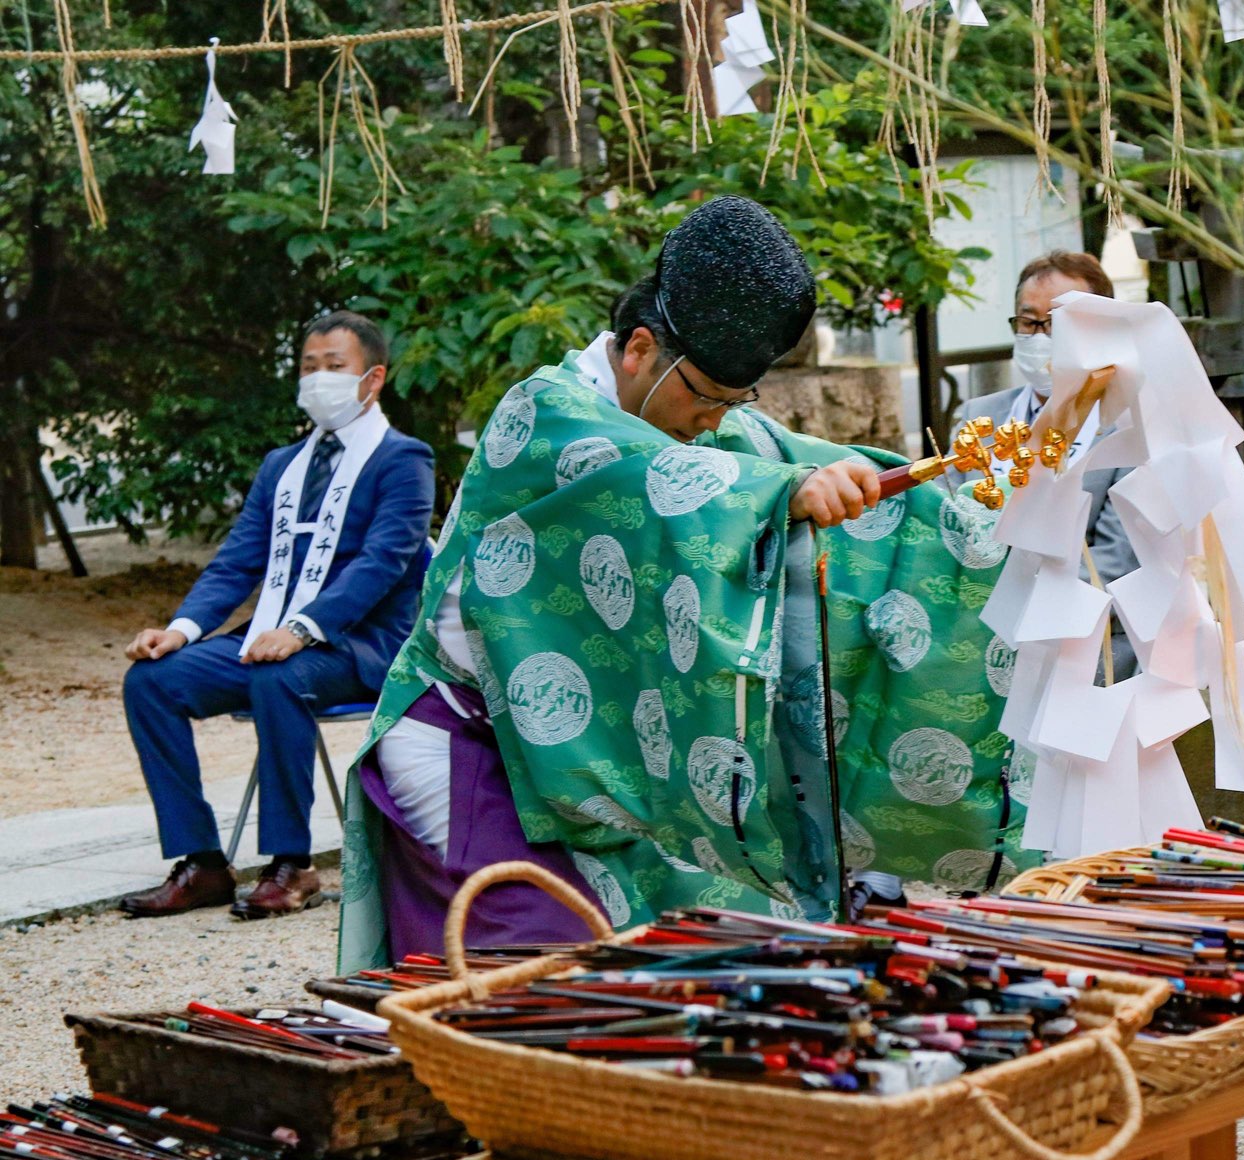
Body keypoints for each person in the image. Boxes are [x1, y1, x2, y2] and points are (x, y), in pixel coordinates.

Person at [337, 196, 1032, 972]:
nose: (714, 420)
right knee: (540, 967)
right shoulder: (540, 418)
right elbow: (658, 482)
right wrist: (783, 494)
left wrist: (975, 518)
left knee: (706, 945)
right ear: (639, 348)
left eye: (733, 403)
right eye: (703, 396)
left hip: (594, 760)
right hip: (473, 740)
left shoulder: (704, 424)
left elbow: (788, 457)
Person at [121, 313, 434, 920]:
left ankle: (293, 865)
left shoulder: (403, 459)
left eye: (334, 368)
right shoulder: (281, 466)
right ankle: (202, 863)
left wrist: (300, 630)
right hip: (270, 641)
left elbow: (383, 562)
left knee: (278, 675)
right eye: (308, 367)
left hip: (359, 647)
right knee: (152, 681)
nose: (319, 379)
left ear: (372, 379)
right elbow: (237, 563)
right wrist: (179, 631)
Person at [950, 250, 1136, 677]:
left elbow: (1118, 558)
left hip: (1089, 647)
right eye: (1028, 322)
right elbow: (951, 522)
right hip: (978, 640)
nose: (1039, 337)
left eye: (1056, 324)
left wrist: (1034, 620)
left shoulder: (1130, 432)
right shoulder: (980, 418)